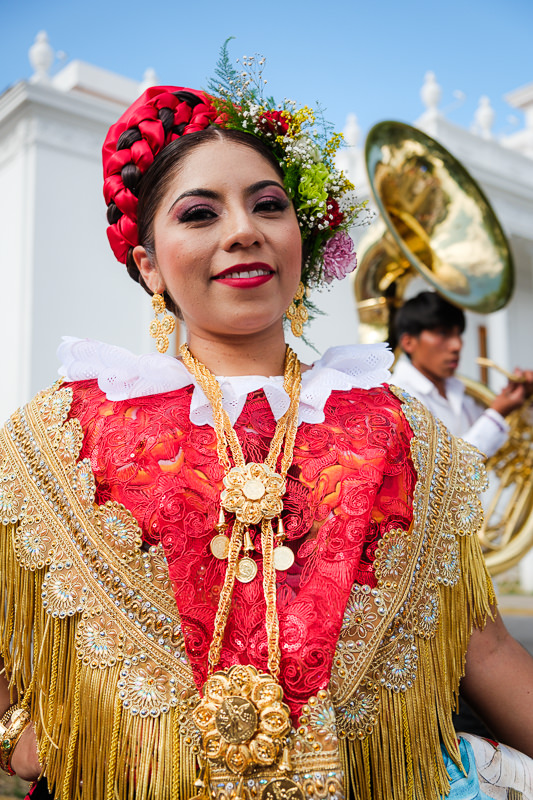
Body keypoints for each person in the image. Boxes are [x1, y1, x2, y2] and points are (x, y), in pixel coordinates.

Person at [1, 52, 533, 800]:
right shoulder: (58, 434)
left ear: (299, 240)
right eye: (199, 213)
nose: (243, 230)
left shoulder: (401, 431)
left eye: (268, 205)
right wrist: (15, 739)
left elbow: (482, 643)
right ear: (150, 265)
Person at [391, 290, 533, 458]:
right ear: (408, 343)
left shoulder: (462, 393)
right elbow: (443, 469)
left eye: (459, 334)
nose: (457, 345)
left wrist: (526, 400)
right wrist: (497, 414)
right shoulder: (396, 397)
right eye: (443, 333)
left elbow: (510, 440)